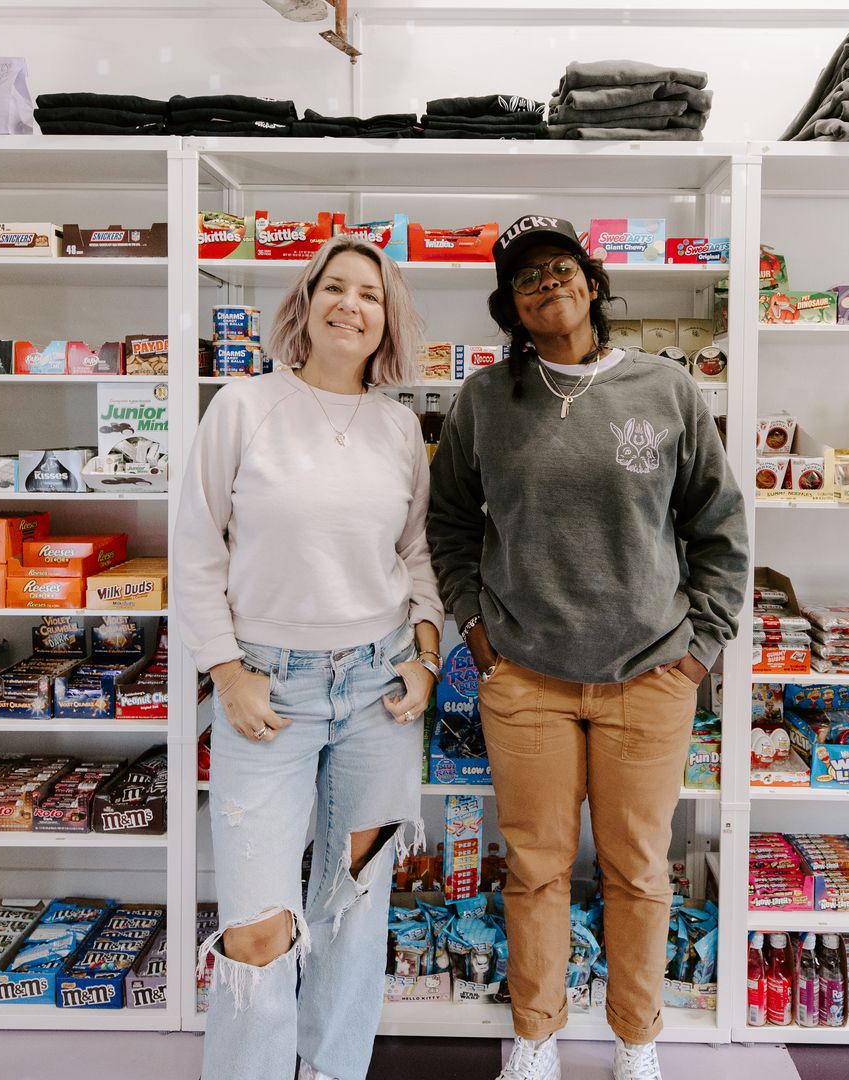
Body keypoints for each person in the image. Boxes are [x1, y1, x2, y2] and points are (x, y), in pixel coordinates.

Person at [427, 216, 749, 1080]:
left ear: (593, 283)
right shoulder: (486, 402)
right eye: (526, 279)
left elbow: (718, 527)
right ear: (510, 306)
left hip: (651, 674)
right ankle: (535, 1037)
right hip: (523, 676)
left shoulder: (668, 388)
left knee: (639, 870)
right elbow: (451, 523)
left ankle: (637, 1042)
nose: (547, 286)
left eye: (560, 268)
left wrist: (700, 650)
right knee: (533, 868)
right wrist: (475, 633)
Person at [173, 235, 444, 1080]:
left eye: (369, 294)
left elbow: (420, 556)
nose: (350, 304)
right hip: (267, 690)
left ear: (386, 320)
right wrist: (225, 670)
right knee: (259, 925)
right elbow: (195, 548)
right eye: (335, 287)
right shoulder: (245, 406)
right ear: (305, 303)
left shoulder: (401, 428)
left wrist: (427, 657)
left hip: (378, 692)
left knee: (356, 909)